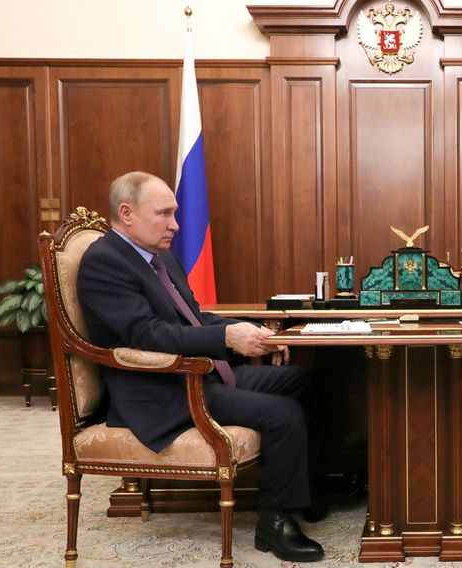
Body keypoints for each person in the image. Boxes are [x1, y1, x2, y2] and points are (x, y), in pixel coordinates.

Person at [77, 171, 325, 563]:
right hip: (159, 390)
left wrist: (250, 331)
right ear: (126, 213)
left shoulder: (161, 257)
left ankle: (303, 493)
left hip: (196, 373)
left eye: (174, 214)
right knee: (282, 413)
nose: (175, 224)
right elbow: (147, 335)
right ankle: (274, 524)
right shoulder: (104, 261)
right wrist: (227, 340)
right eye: (164, 214)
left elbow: (191, 318)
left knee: (303, 382)